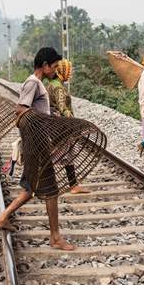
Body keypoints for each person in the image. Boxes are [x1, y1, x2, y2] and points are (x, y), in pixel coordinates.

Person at [0, 47, 75, 251]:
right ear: (45, 65)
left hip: (37, 142)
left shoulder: (37, 84)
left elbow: (31, 111)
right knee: (50, 190)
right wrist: (44, 122)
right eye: (53, 66)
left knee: (30, 188)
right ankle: (55, 238)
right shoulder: (32, 83)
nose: (55, 70)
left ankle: (3, 217)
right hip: (36, 144)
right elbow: (21, 110)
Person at [44, 59, 90, 194]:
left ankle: (73, 185)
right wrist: (73, 120)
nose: (70, 73)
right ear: (64, 71)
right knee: (58, 154)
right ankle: (41, 183)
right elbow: (62, 106)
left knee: (67, 155)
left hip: (54, 124)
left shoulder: (51, 84)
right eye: (69, 70)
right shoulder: (58, 87)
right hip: (62, 126)